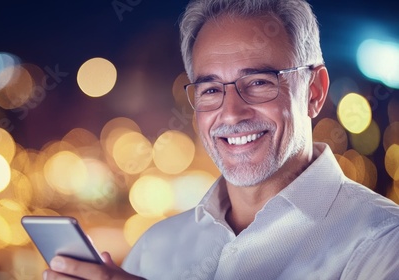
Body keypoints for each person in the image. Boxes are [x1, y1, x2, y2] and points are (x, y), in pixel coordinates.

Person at [43, 0, 399, 279]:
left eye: (259, 82)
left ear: (315, 92)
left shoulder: (383, 243)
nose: (230, 114)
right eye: (211, 89)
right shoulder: (156, 247)